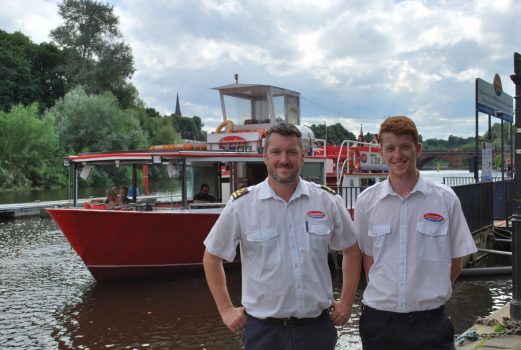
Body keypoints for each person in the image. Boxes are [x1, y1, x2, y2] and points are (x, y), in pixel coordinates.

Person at [203, 123, 361, 350]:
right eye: (276, 152)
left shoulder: (327, 201)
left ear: (303, 157)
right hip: (264, 333)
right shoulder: (242, 205)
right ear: (265, 156)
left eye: (291, 152)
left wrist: (346, 302)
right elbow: (212, 257)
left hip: (316, 330)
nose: (284, 159)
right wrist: (226, 310)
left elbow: (351, 249)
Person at [354, 116, 477, 350]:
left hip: (430, 325)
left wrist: (430, 294)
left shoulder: (445, 199)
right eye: (390, 148)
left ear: (417, 149)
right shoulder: (366, 201)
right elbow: (368, 257)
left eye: (405, 147)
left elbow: (456, 261)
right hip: (379, 324)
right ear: (381, 152)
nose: (397, 155)